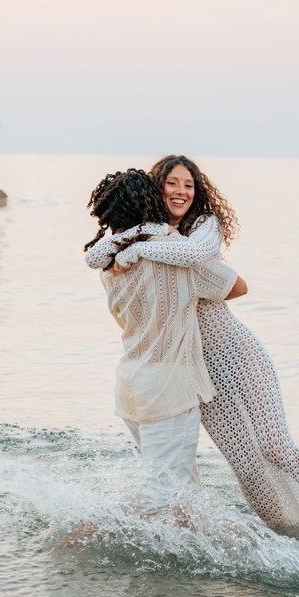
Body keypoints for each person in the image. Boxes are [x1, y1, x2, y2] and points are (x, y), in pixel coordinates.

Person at [87, 156, 299, 536]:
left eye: (188, 184)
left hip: (231, 350)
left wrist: (138, 252)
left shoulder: (201, 227)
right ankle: (289, 531)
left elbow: (205, 264)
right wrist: (129, 246)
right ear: (155, 189)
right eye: (171, 183)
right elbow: (96, 255)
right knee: (246, 463)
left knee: (276, 447)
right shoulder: (144, 237)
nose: (181, 191)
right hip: (190, 368)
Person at [74, 168, 247, 537]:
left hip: (131, 384)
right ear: (152, 204)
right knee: (162, 490)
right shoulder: (176, 261)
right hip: (169, 388)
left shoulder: (110, 266)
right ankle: (83, 534)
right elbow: (238, 287)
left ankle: (203, 553)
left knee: (184, 487)